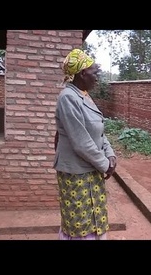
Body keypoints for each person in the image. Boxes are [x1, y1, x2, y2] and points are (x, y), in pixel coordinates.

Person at [53, 48, 117, 240]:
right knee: (79, 224)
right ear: (82, 73)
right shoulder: (68, 98)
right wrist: (105, 165)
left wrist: (110, 153)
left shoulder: (84, 94)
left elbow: (98, 129)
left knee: (94, 219)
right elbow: (81, 142)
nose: (97, 77)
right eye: (94, 72)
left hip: (91, 169)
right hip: (76, 172)